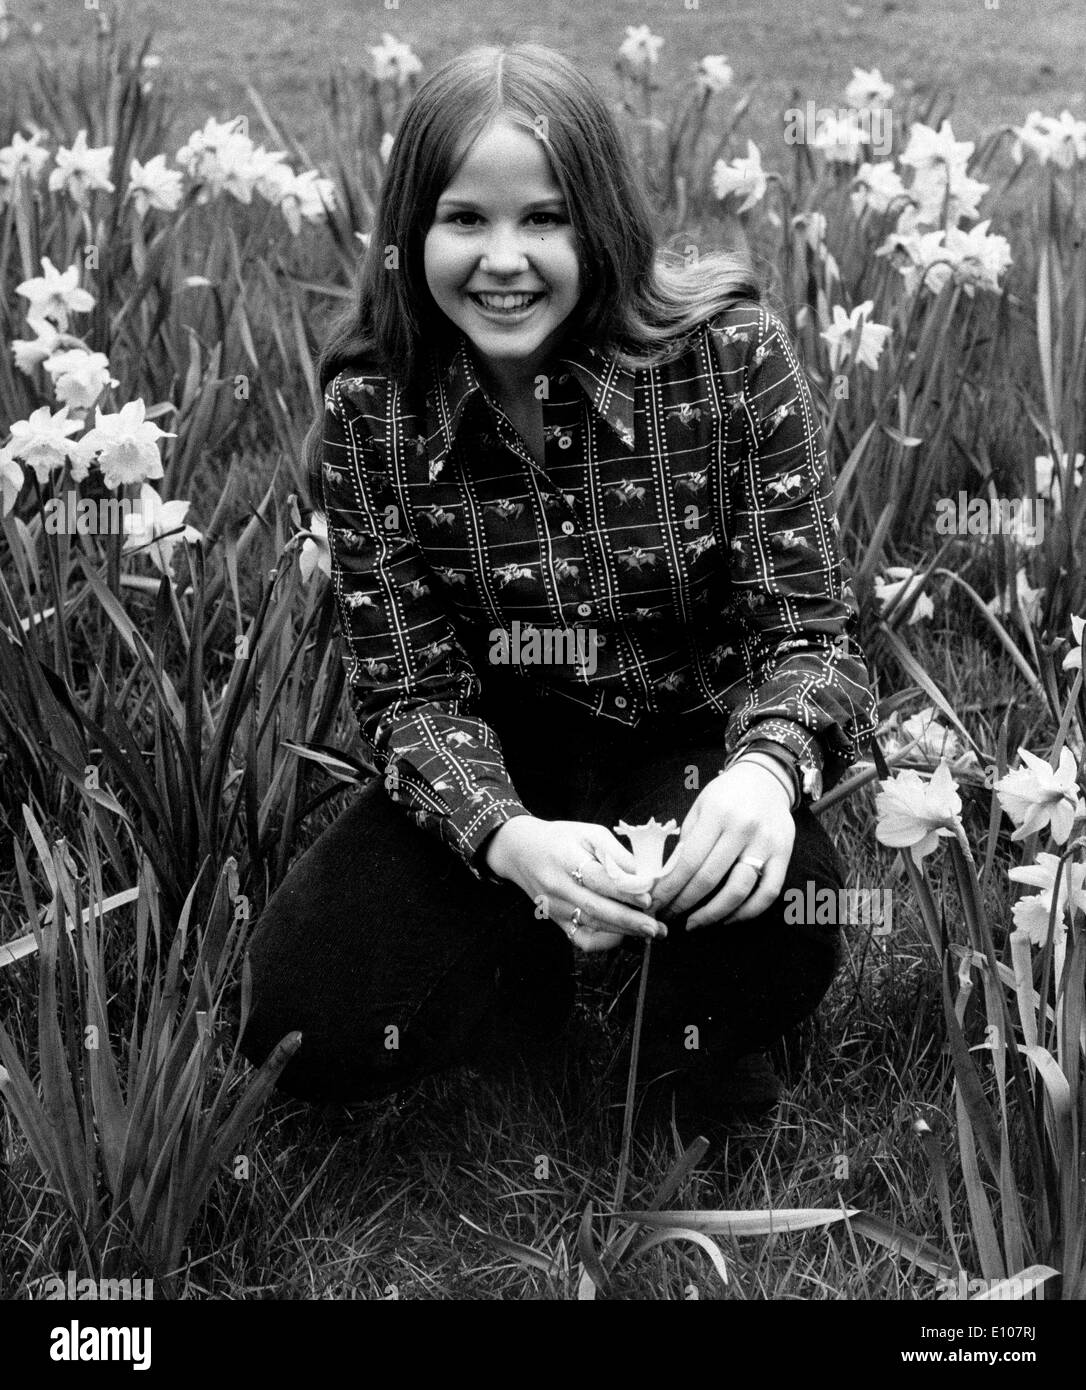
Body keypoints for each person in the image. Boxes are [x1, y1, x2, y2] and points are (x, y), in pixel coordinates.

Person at [240, 42, 878, 1120]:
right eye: (464, 219)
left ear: (601, 224)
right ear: (411, 235)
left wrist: (766, 776)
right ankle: (521, 963)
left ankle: (683, 1045)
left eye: (544, 219)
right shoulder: (374, 413)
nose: (504, 259)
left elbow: (810, 635)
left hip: (689, 747)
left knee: (788, 901)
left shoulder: (729, 359)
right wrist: (508, 838)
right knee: (301, 1019)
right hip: (505, 753)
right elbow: (410, 697)